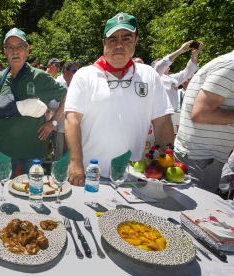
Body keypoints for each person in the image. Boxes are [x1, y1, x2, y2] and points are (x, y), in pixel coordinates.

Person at [65, 12, 175, 186]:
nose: (119, 44)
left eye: (126, 38)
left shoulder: (149, 75)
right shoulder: (85, 75)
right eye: (113, 38)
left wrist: (170, 163)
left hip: (134, 178)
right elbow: (72, 120)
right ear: (104, 42)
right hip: (88, 176)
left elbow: (162, 121)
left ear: (136, 40)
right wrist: (75, 163)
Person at [0, 28, 67, 177]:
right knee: (4, 194)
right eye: (10, 47)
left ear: (27, 51)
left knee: (33, 194)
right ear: (5, 52)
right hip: (4, 151)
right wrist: (22, 106)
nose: (15, 51)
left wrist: (53, 122)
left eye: (20, 46)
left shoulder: (40, 77)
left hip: (33, 152)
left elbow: (67, 96)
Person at [174, 50, 234, 193]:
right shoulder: (231, 67)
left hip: (201, 157)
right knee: (197, 213)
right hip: (202, 159)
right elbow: (201, 113)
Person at [151, 40, 202, 112]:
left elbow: (189, 71)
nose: (167, 65)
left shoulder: (172, 78)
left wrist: (194, 55)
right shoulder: (154, 77)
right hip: (160, 115)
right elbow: (162, 64)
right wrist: (180, 51)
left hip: (174, 115)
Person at [49, 61, 78, 160]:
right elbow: (51, 103)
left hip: (72, 126)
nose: (76, 73)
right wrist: (68, 105)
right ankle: (55, 173)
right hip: (59, 126)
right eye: (74, 70)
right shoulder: (57, 83)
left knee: (68, 154)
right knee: (58, 153)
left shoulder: (77, 84)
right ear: (65, 71)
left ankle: (66, 174)